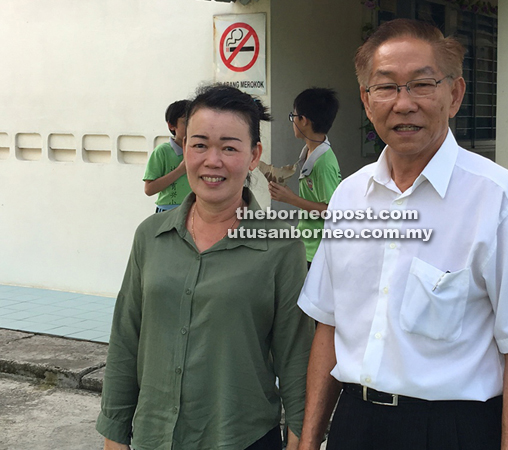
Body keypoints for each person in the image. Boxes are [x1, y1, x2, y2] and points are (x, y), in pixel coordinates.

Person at [296, 19, 508, 450]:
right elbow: (328, 327)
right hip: (355, 423)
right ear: (366, 101)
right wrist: (309, 439)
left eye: (422, 85)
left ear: (455, 94)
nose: (403, 104)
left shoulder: (499, 199)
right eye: (386, 87)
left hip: (452, 429)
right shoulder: (348, 197)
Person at [97, 85, 314, 450]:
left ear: (253, 156)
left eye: (229, 147)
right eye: (199, 144)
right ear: (184, 149)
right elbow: (125, 341)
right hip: (156, 437)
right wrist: (114, 434)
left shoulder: (280, 245)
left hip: (242, 438)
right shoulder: (151, 236)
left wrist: (300, 438)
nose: (212, 160)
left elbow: (296, 354)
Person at [268, 88, 342, 266]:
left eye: (293, 116)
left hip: (318, 251)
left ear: (303, 120)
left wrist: (291, 199)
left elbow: (332, 212)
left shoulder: (323, 163)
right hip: (307, 246)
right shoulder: (311, 151)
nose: (292, 121)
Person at [144, 99, 193, 213]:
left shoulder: (200, 150)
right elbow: (149, 189)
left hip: (194, 210)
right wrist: (180, 170)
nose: (191, 127)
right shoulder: (162, 151)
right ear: (171, 125)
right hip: (168, 211)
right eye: (185, 122)